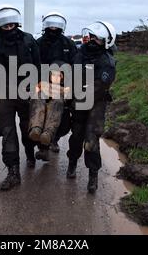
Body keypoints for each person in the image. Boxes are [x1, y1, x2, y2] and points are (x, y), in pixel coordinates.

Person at [0, 5, 40, 191]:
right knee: (7, 131)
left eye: (12, 25)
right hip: (6, 95)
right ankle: (13, 172)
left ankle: (31, 154)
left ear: (17, 22)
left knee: (27, 128)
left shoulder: (29, 40)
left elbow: (38, 65)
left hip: (27, 92)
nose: (9, 28)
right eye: (5, 26)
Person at [67, 21, 117, 194]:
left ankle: (93, 176)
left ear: (105, 42)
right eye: (92, 37)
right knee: (76, 137)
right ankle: (72, 163)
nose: (92, 41)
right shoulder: (80, 53)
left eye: (97, 38)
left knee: (91, 140)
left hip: (96, 104)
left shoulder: (107, 61)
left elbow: (100, 86)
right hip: (79, 103)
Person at [33, 12, 77, 160]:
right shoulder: (38, 43)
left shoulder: (69, 44)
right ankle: (43, 147)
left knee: (61, 117)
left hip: (62, 87)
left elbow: (75, 65)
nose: (53, 28)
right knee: (41, 112)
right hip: (43, 84)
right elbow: (33, 64)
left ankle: (54, 140)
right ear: (45, 26)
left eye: (56, 25)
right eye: (50, 25)